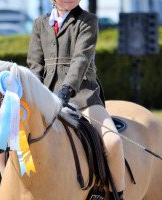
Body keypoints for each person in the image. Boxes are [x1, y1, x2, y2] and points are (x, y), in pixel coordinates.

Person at [27, 0, 125, 198]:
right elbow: (34, 64)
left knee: (113, 142)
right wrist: (34, 93)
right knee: (8, 143)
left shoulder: (88, 21)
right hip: (46, 99)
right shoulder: (39, 23)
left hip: (83, 97)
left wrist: (66, 90)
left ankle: (117, 194)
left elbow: (81, 59)